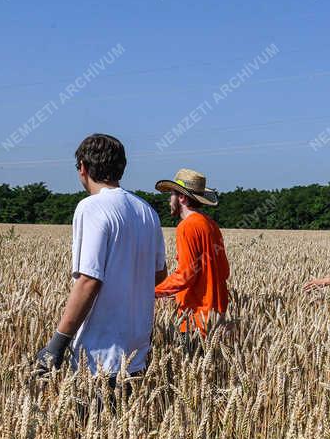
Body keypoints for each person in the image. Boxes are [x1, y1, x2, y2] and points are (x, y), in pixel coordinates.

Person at [35, 134, 167, 380]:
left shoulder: (91, 207)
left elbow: (89, 280)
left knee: (90, 419)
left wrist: (57, 344)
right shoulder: (148, 211)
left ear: (83, 168)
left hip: (98, 357)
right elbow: (160, 274)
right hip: (137, 355)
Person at [154, 168, 230, 334]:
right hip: (217, 316)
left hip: (195, 318)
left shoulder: (186, 227)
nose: (169, 200)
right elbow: (224, 271)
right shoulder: (211, 225)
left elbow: (185, 275)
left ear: (182, 198)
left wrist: (153, 292)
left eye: (172, 194)